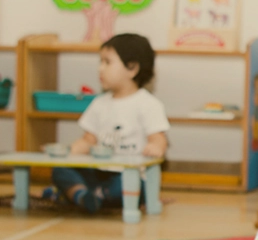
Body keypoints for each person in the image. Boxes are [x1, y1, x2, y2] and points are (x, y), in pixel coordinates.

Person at [46, 33, 169, 213]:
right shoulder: (99, 103)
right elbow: (88, 139)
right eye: (100, 62)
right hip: (98, 171)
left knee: (126, 185)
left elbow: (159, 138)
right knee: (60, 170)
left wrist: (156, 146)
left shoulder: (148, 104)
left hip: (129, 175)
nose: (100, 69)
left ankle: (86, 196)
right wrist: (68, 151)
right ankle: (85, 196)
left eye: (107, 62)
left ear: (132, 68)